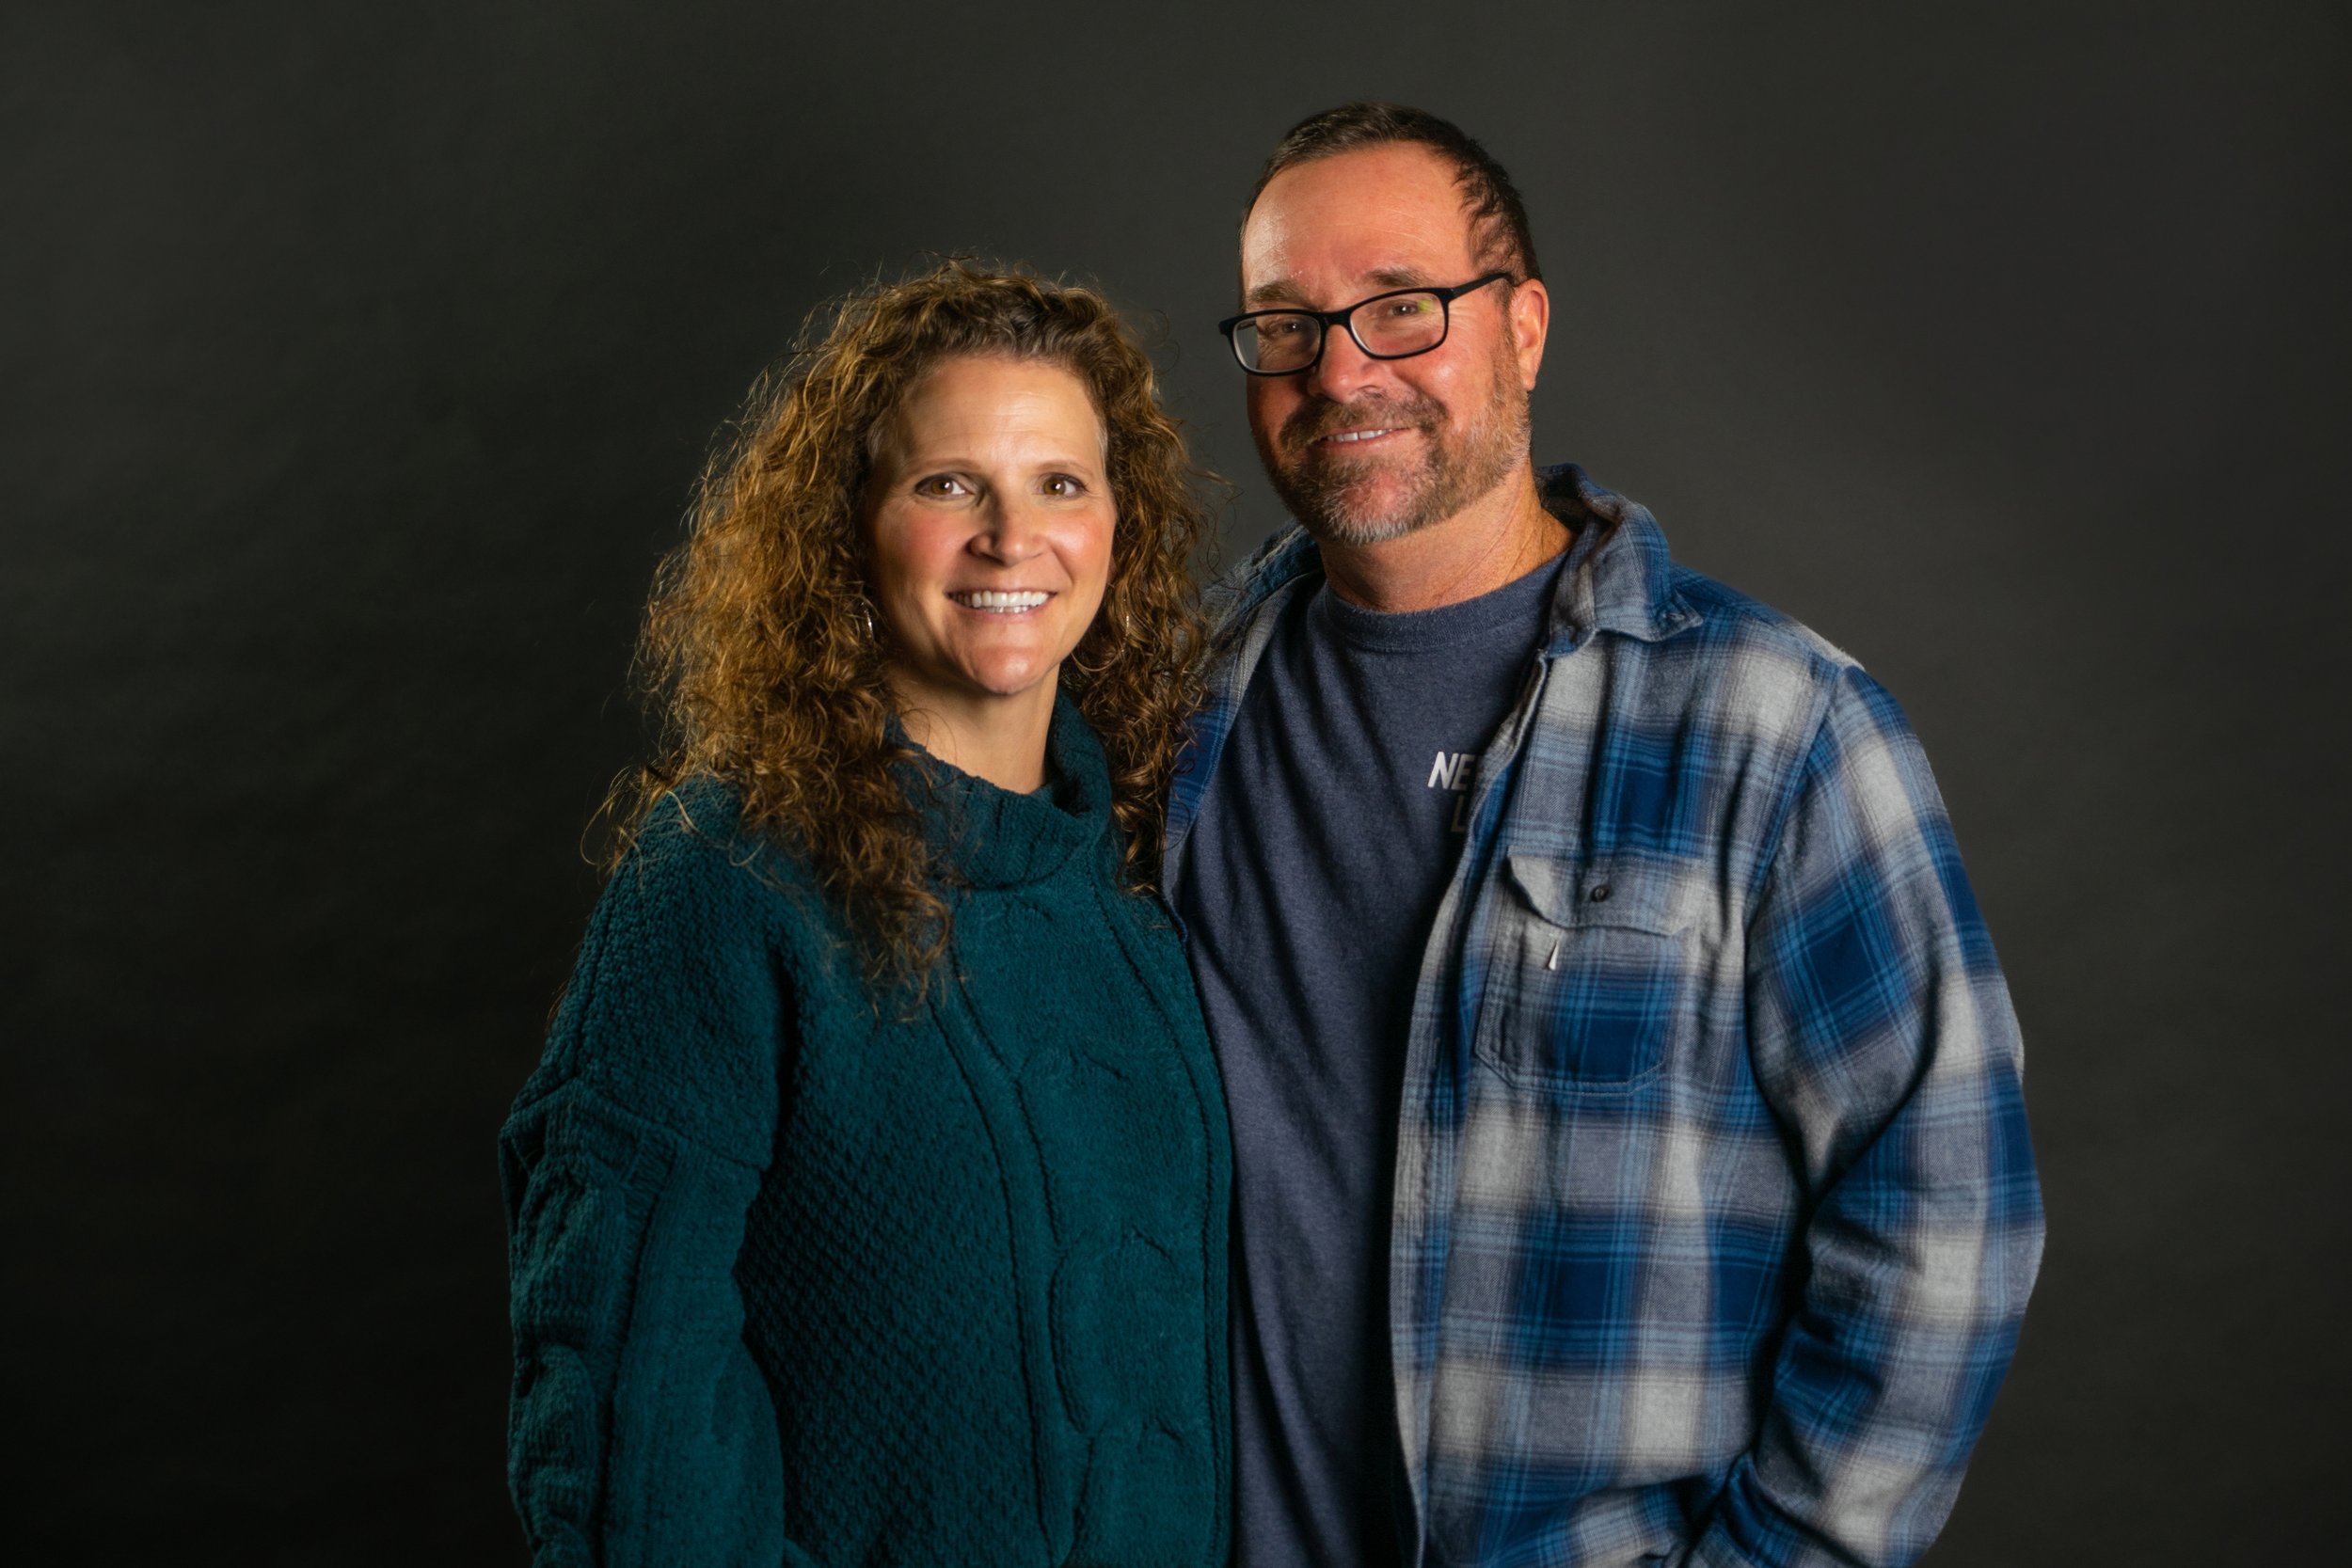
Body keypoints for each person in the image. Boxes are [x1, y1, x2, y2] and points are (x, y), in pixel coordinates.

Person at [1166, 103, 2045, 1568]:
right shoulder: (1178, 703)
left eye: (1401, 308)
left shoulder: (1778, 729)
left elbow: (1951, 1216)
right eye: (1286, 323)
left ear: (1523, 327)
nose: (1339, 371)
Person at [501, 262, 1232, 1567]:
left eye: (1060, 483)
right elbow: (626, 1411)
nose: (1012, 537)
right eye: (948, 483)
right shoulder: (726, 882)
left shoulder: (1135, 889)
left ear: (1120, 526)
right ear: (850, 523)